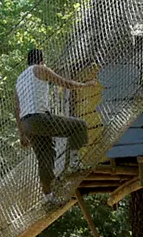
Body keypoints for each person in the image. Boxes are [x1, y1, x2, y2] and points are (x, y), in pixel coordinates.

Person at [14, 48, 96, 199]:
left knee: (45, 156)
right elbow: (65, 83)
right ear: (42, 59)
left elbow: (17, 108)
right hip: (39, 118)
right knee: (79, 126)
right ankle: (74, 164)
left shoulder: (19, 80)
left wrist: (22, 134)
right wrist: (86, 85)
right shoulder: (40, 69)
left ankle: (48, 197)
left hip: (27, 123)